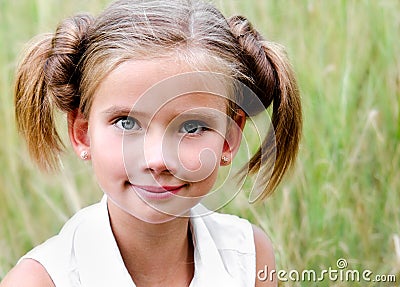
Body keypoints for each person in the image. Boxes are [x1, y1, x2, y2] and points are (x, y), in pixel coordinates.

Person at [1, 0, 302, 286]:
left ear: (229, 138)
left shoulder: (248, 257)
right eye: (126, 123)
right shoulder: (41, 281)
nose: (158, 159)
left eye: (192, 127)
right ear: (82, 133)